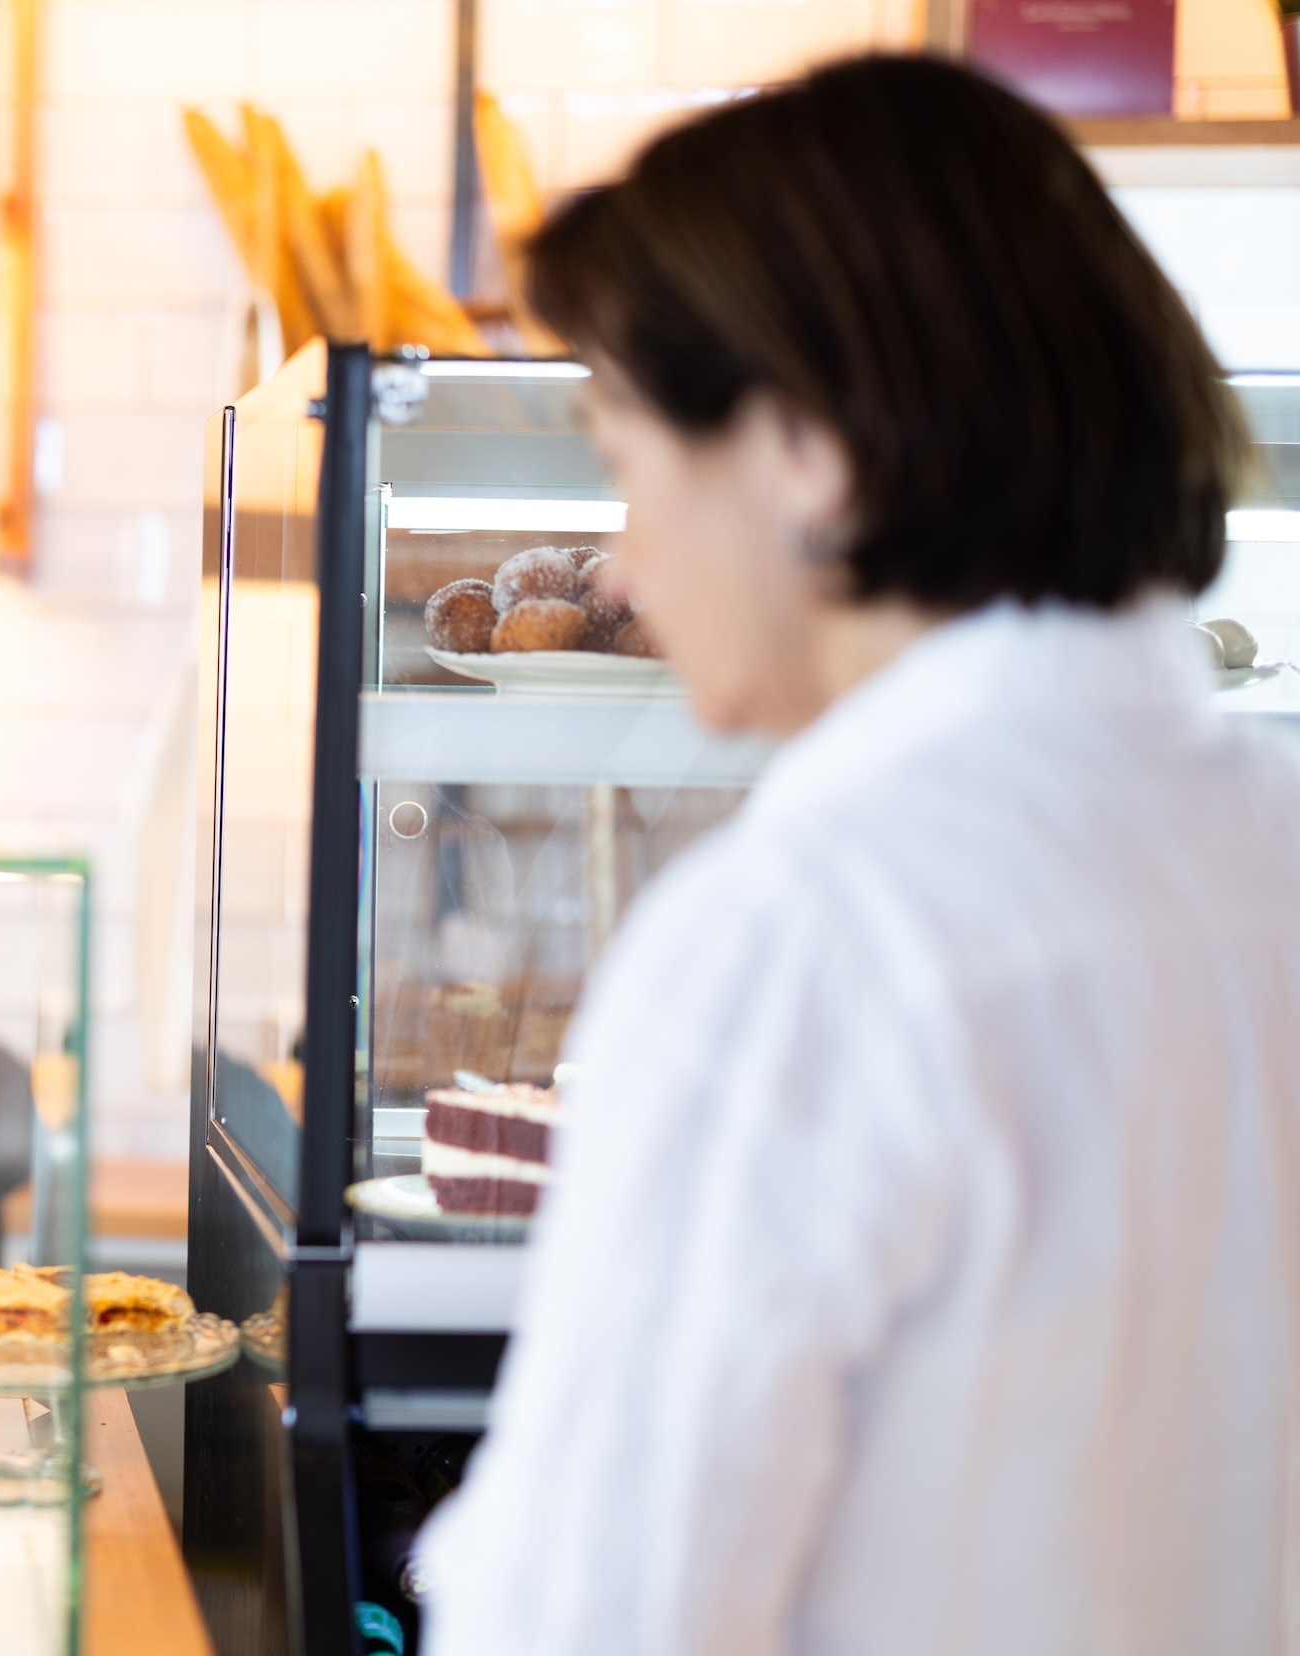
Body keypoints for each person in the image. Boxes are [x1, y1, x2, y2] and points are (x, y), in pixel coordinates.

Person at [418, 55, 1300, 1654]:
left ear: (812, 451)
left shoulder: (805, 939)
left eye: (629, 466)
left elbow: (590, 1618)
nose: (621, 557)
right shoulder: (1266, 849)